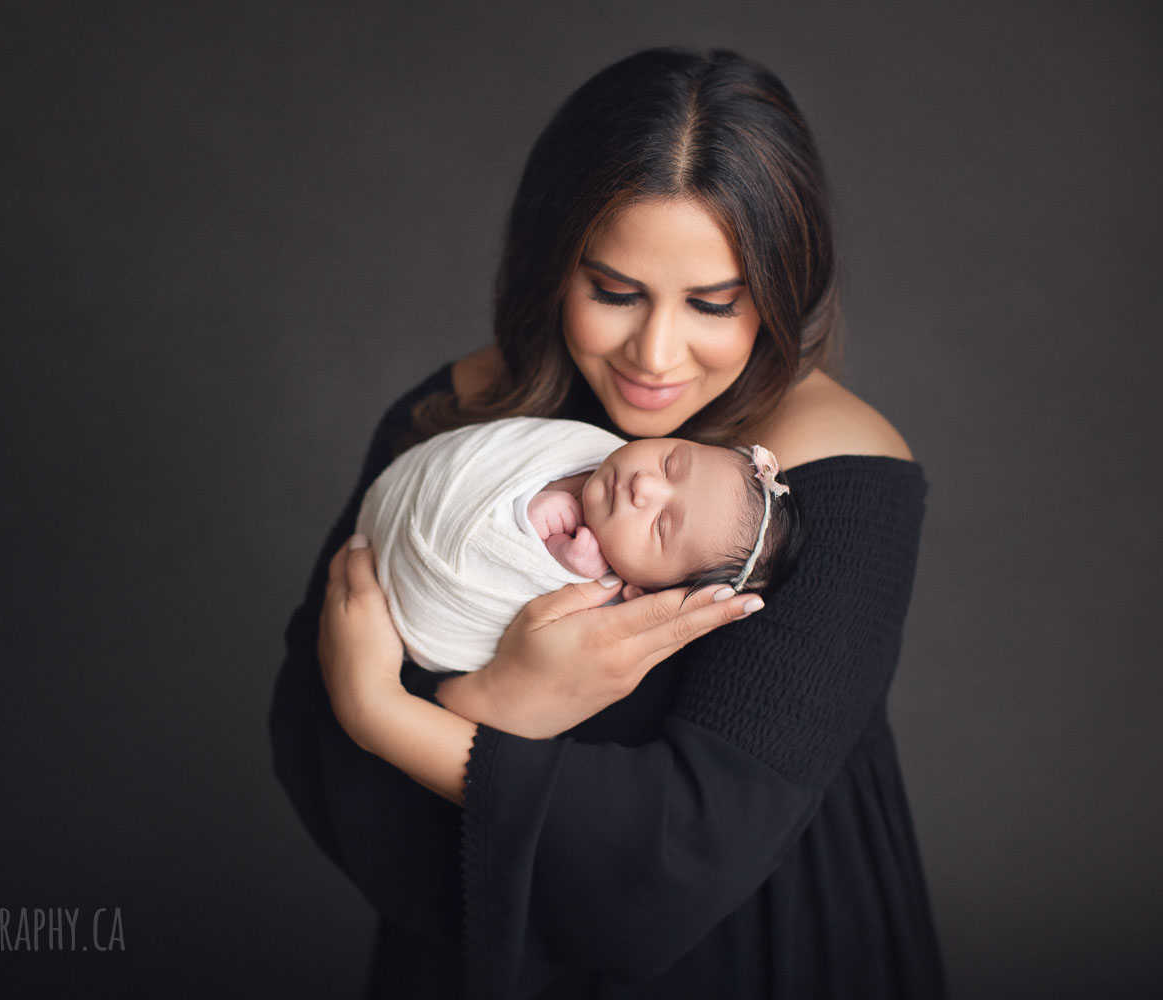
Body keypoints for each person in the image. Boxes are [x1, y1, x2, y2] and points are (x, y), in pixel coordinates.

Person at [270, 47, 945, 999]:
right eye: (615, 293)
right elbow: (311, 747)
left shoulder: (841, 479)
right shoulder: (461, 420)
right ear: (551, 267)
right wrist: (470, 714)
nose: (655, 355)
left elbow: (689, 856)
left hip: (755, 946)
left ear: (785, 289)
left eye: (715, 303)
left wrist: (400, 712)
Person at [357, 414, 798, 672]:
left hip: (419, 592)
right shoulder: (587, 444)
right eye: (670, 461)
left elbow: (505, 582)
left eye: (662, 525)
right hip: (409, 488)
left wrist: (544, 544)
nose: (644, 485)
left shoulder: (598, 599)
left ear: (641, 591)